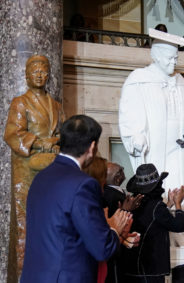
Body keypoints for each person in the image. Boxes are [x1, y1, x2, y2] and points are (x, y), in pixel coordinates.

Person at [21, 115, 133, 283]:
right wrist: (115, 229)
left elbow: (63, 231)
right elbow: (101, 248)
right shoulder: (83, 184)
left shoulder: (41, 177)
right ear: (92, 147)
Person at [119, 30, 184, 225]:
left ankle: (177, 229)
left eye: (175, 58)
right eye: (169, 58)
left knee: (177, 185)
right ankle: (160, 228)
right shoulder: (139, 79)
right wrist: (135, 137)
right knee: (157, 188)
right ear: (155, 56)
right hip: (155, 148)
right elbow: (129, 113)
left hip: (178, 149)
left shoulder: (182, 83)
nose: (173, 63)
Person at [3, 54, 65, 273]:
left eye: (43, 71)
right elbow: (12, 134)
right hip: (28, 170)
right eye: (35, 71)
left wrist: (55, 142)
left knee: (53, 220)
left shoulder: (56, 105)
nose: (40, 75)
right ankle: (24, 273)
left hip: (51, 167)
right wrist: (40, 144)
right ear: (27, 76)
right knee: (26, 224)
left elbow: (62, 133)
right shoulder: (20, 103)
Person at [122, 163, 184, 283]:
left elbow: (153, 220)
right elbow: (178, 226)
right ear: (158, 185)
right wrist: (178, 203)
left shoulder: (134, 203)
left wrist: (169, 204)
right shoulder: (157, 206)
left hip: (132, 266)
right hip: (150, 268)